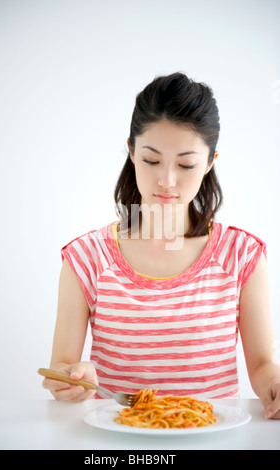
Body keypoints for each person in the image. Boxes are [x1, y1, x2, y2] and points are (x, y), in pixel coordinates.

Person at [42, 72, 280, 419]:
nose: (167, 181)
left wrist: (274, 384)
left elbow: (262, 365)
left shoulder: (241, 255)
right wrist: (72, 381)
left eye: (186, 164)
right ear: (131, 151)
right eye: (151, 160)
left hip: (213, 439)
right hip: (118, 442)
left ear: (211, 162)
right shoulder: (86, 257)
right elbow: (61, 367)